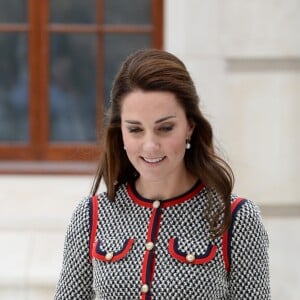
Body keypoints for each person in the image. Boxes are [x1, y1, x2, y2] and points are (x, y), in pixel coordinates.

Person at [54, 49, 270, 299]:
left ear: (190, 125)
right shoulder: (91, 216)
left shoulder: (237, 219)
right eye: (135, 129)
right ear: (120, 131)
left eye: (165, 128)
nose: (150, 146)